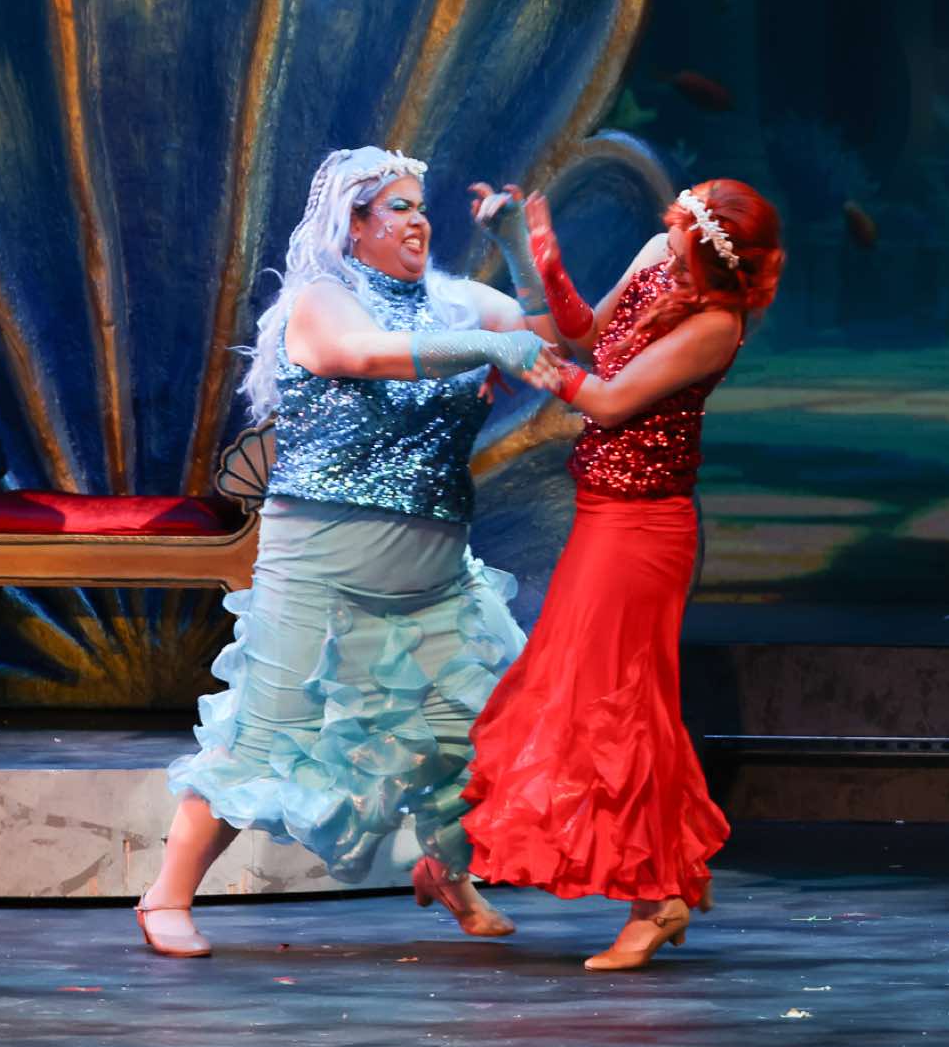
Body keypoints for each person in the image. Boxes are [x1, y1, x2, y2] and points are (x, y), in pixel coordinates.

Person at [136, 146, 561, 957]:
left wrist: (515, 250)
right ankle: (166, 895)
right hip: (322, 561)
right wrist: (484, 346)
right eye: (398, 207)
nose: (418, 220)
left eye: (421, 206)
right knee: (267, 733)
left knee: (474, 725)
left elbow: (546, 341)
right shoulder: (321, 298)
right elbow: (359, 355)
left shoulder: (452, 300)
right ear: (354, 224)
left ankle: (446, 870)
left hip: (435, 570)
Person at [462, 177, 783, 971]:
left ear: (717, 263)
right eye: (674, 227)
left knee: (621, 707)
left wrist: (530, 362)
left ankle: (657, 896)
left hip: (644, 527)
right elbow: (586, 335)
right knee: (606, 699)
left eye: (685, 241)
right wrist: (536, 246)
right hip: (603, 511)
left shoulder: (717, 325)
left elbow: (606, 401)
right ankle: (666, 878)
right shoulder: (654, 256)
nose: (668, 244)